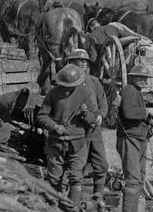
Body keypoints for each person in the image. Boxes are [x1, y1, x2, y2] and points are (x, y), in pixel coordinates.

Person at [37, 64, 99, 206]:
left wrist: (85, 114)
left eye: (71, 85)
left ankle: (72, 207)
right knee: (54, 177)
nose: (67, 88)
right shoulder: (52, 93)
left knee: (76, 177)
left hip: (78, 143)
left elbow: (93, 119)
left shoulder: (85, 93)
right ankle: (53, 207)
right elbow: (41, 117)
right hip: (56, 142)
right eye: (65, 85)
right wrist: (54, 126)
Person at [115, 65, 153, 212]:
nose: (144, 80)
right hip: (129, 139)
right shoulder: (129, 90)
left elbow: (135, 118)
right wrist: (147, 112)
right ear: (132, 77)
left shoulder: (136, 92)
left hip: (138, 139)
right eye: (140, 77)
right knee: (133, 180)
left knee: (139, 179)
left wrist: (148, 128)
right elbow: (128, 112)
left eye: (146, 78)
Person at [67, 49, 108, 197]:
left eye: (86, 60)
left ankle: (98, 197)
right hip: (77, 129)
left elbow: (103, 102)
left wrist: (101, 115)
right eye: (80, 60)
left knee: (101, 163)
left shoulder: (94, 81)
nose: (84, 62)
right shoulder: (66, 82)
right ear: (71, 63)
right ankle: (72, 200)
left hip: (94, 128)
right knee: (77, 166)